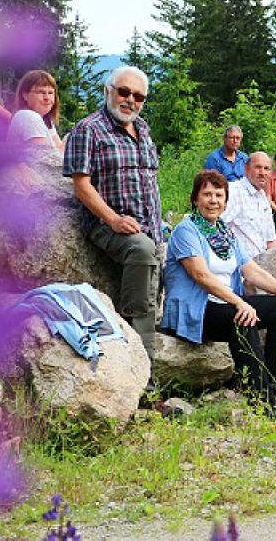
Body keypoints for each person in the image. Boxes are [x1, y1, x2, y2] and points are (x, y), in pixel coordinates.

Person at [162, 170, 276, 402]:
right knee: (242, 317)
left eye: (219, 195)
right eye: (207, 194)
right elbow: (200, 275)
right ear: (195, 199)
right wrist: (239, 302)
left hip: (226, 303)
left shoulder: (225, 232)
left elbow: (251, 270)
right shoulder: (185, 230)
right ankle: (261, 396)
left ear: (225, 201)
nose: (213, 200)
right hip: (197, 310)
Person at [63, 66, 161, 360]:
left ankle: (148, 358)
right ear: (108, 91)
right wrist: (113, 219)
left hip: (148, 225)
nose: (131, 100)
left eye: (139, 96)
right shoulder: (88, 129)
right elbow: (81, 186)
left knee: (156, 269)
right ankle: (139, 355)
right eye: (124, 92)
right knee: (142, 252)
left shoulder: (143, 128)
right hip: (107, 223)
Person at [222, 151, 276, 260]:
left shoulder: (262, 197)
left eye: (266, 168)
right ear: (246, 169)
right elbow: (213, 226)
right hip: (238, 264)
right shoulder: (234, 192)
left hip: (261, 263)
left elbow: (271, 241)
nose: (262, 173)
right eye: (258, 167)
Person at [8, 69, 64, 151]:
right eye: (41, 92)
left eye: (50, 93)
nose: (47, 98)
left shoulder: (46, 120)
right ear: (25, 95)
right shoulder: (28, 116)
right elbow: (44, 156)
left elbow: (60, 149)